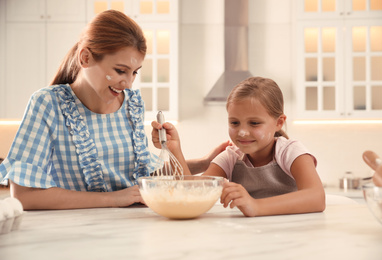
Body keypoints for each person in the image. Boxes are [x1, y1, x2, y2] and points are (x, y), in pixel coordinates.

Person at [0, 10, 227, 210]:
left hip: (129, 232)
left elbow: (143, 175)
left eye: (135, 72)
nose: (128, 83)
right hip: (75, 233)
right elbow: (25, 196)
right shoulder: (48, 105)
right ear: (85, 58)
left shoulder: (131, 104)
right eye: (120, 70)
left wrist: (205, 163)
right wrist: (113, 199)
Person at [152, 77, 326, 217]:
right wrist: (175, 149)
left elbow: (317, 198)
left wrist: (256, 206)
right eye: (235, 122)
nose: (242, 132)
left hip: (295, 234)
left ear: (279, 122)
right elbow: (192, 193)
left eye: (254, 123)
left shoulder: (291, 151)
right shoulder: (231, 156)